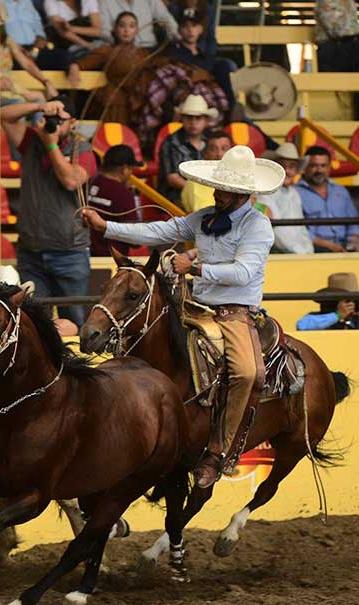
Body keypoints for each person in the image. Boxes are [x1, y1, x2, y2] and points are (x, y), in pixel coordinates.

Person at [82, 145, 284, 488]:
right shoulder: (204, 217)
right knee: (141, 339)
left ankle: (218, 452)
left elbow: (245, 272)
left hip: (234, 313)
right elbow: (159, 231)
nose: (218, 194)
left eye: (226, 189)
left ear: (242, 194)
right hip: (193, 305)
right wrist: (106, 227)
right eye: (219, 187)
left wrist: (196, 266)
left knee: (248, 372)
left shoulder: (258, 226)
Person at [70, 13, 227, 153]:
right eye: (122, 26)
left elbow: (157, 68)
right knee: (118, 119)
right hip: (120, 97)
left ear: (137, 30)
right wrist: (75, 68)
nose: (126, 30)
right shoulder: (107, 50)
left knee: (169, 86)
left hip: (143, 96)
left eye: (131, 26)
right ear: (115, 29)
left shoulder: (143, 53)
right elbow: (81, 63)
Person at [2, 96, 95, 326]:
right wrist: (39, 106)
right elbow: (4, 115)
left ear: (72, 123)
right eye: (49, 118)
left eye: (59, 119)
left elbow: (71, 181)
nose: (53, 124)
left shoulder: (82, 148)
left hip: (69, 253)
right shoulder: (33, 140)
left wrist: (51, 144)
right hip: (31, 251)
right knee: (35, 323)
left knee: (75, 322)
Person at [165, 10, 237, 113]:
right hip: (188, 95)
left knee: (223, 65)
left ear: (200, 29)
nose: (190, 30)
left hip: (210, 92)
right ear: (179, 30)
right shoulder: (173, 54)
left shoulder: (206, 56)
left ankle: (232, 109)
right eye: (185, 27)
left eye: (194, 26)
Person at [296, 146, 359, 252]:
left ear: (329, 167)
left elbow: (353, 222)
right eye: (314, 166)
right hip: (315, 249)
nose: (319, 170)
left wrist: (354, 239)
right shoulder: (296, 193)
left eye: (323, 166)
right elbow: (298, 231)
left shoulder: (341, 191)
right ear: (305, 168)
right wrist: (330, 246)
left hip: (345, 247)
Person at [256, 143, 315, 254]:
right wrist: (299, 252)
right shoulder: (264, 193)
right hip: (278, 252)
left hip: (298, 252)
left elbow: (301, 227)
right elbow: (275, 231)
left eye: (292, 166)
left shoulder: (294, 193)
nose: (287, 171)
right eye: (282, 166)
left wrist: (309, 250)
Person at [159, 94, 217, 207]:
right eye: (189, 118)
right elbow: (173, 179)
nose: (193, 122)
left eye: (198, 118)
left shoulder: (211, 139)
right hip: (176, 197)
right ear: (182, 119)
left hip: (210, 195)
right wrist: (200, 192)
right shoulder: (171, 142)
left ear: (206, 120)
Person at [87, 145, 142, 256]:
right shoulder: (123, 194)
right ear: (124, 169)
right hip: (111, 261)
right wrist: (134, 196)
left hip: (83, 256)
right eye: (131, 169)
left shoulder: (87, 183)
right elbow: (136, 240)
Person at [2, 0, 74, 70]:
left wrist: (40, 38)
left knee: (64, 57)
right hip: (11, 51)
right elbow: (0, 33)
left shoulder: (27, 2)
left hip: (34, 50)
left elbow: (38, 25)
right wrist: (16, 48)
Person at [181, 130, 231, 212]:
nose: (219, 154)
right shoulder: (197, 180)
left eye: (224, 149)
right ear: (205, 153)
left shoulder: (235, 176)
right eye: (213, 149)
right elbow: (205, 215)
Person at [99, 0, 179, 48]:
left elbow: (166, 19)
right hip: (120, 49)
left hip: (150, 47)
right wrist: (119, 43)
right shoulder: (105, 2)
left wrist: (177, 36)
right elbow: (104, 31)